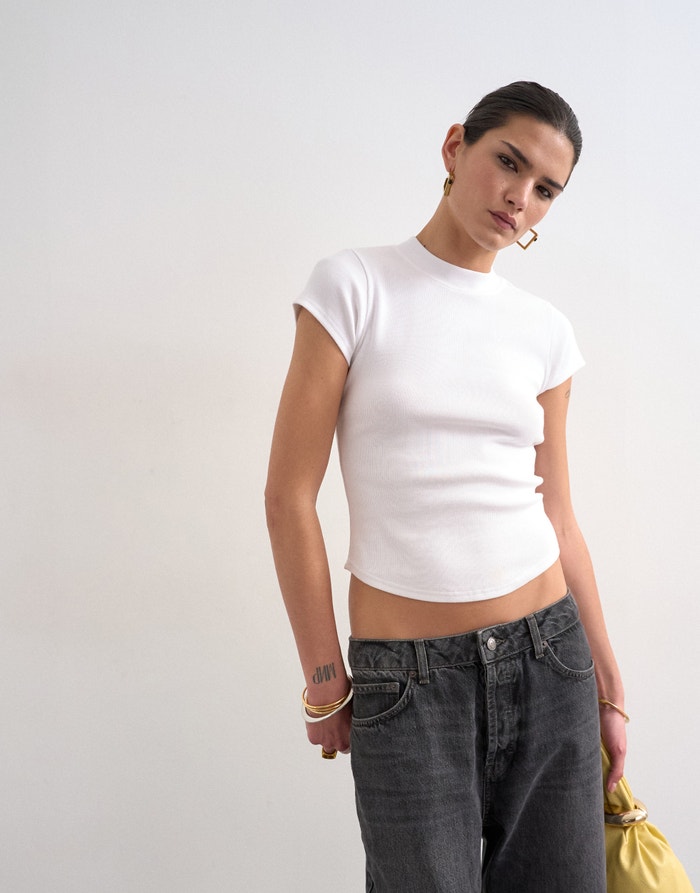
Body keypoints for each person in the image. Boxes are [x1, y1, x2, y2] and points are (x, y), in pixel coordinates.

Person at [265, 81, 626, 892]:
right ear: (456, 146)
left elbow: (559, 514)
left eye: (546, 189)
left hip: (552, 661)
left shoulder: (545, 331)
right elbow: (288, 496)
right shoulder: (353, 286)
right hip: (408, 684)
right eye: (510, 162)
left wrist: (608, 683)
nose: (520, 197)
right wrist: (323, 680)